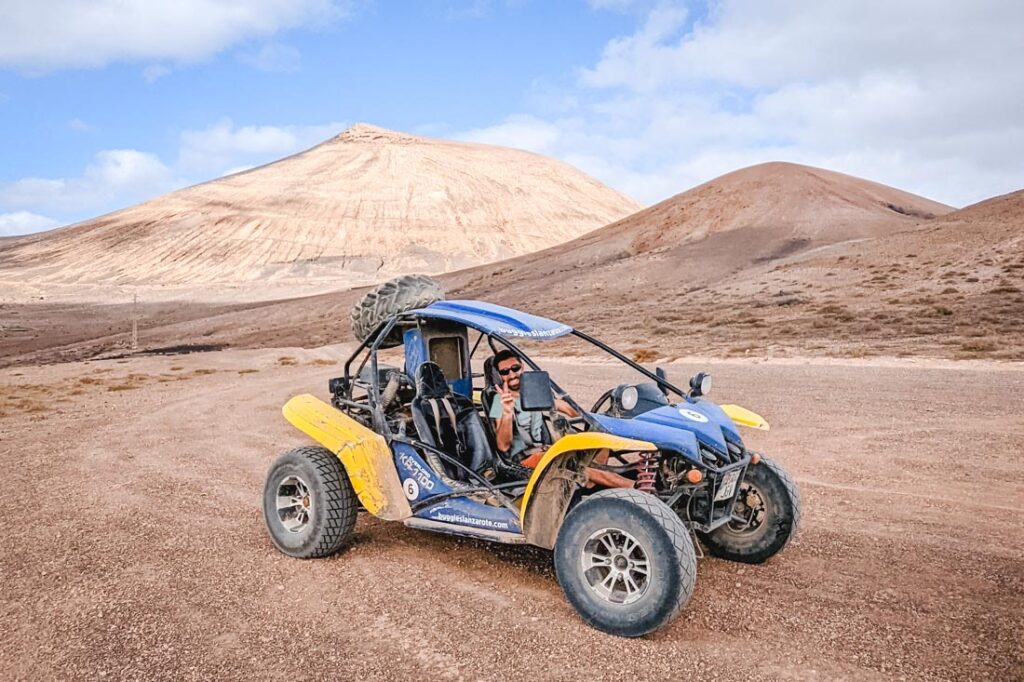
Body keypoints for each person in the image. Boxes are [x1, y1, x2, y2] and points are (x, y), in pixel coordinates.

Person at [488, 349, 634, 488]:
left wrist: (593, 420)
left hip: (549, 450)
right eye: (505, 372)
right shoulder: (498, 400)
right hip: (523, 461)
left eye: (515, 368)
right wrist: (507, 412)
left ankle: (593, 481)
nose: (512, 374)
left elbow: (568, 409)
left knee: (602, 436)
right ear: (500, 375)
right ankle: (633, 487)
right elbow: (502, 445)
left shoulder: (535, 392)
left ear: (522, 367)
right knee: (573, 466)